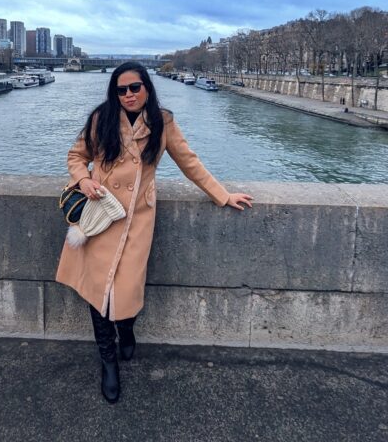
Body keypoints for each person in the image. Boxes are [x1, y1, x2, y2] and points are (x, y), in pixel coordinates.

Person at [56, 62, 253, 403]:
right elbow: (76, 155)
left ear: (146, 87)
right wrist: (84, 179)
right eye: (121, 90)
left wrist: (223, 195)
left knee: (127, 289)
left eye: (135, 87)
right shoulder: (101, 120)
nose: (129, 95)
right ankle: (108, 360)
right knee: (96, 291)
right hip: (100, 215)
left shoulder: (163, 123)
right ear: (114, 93)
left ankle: (127, 327)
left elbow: (190, 163)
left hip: (136, 219)